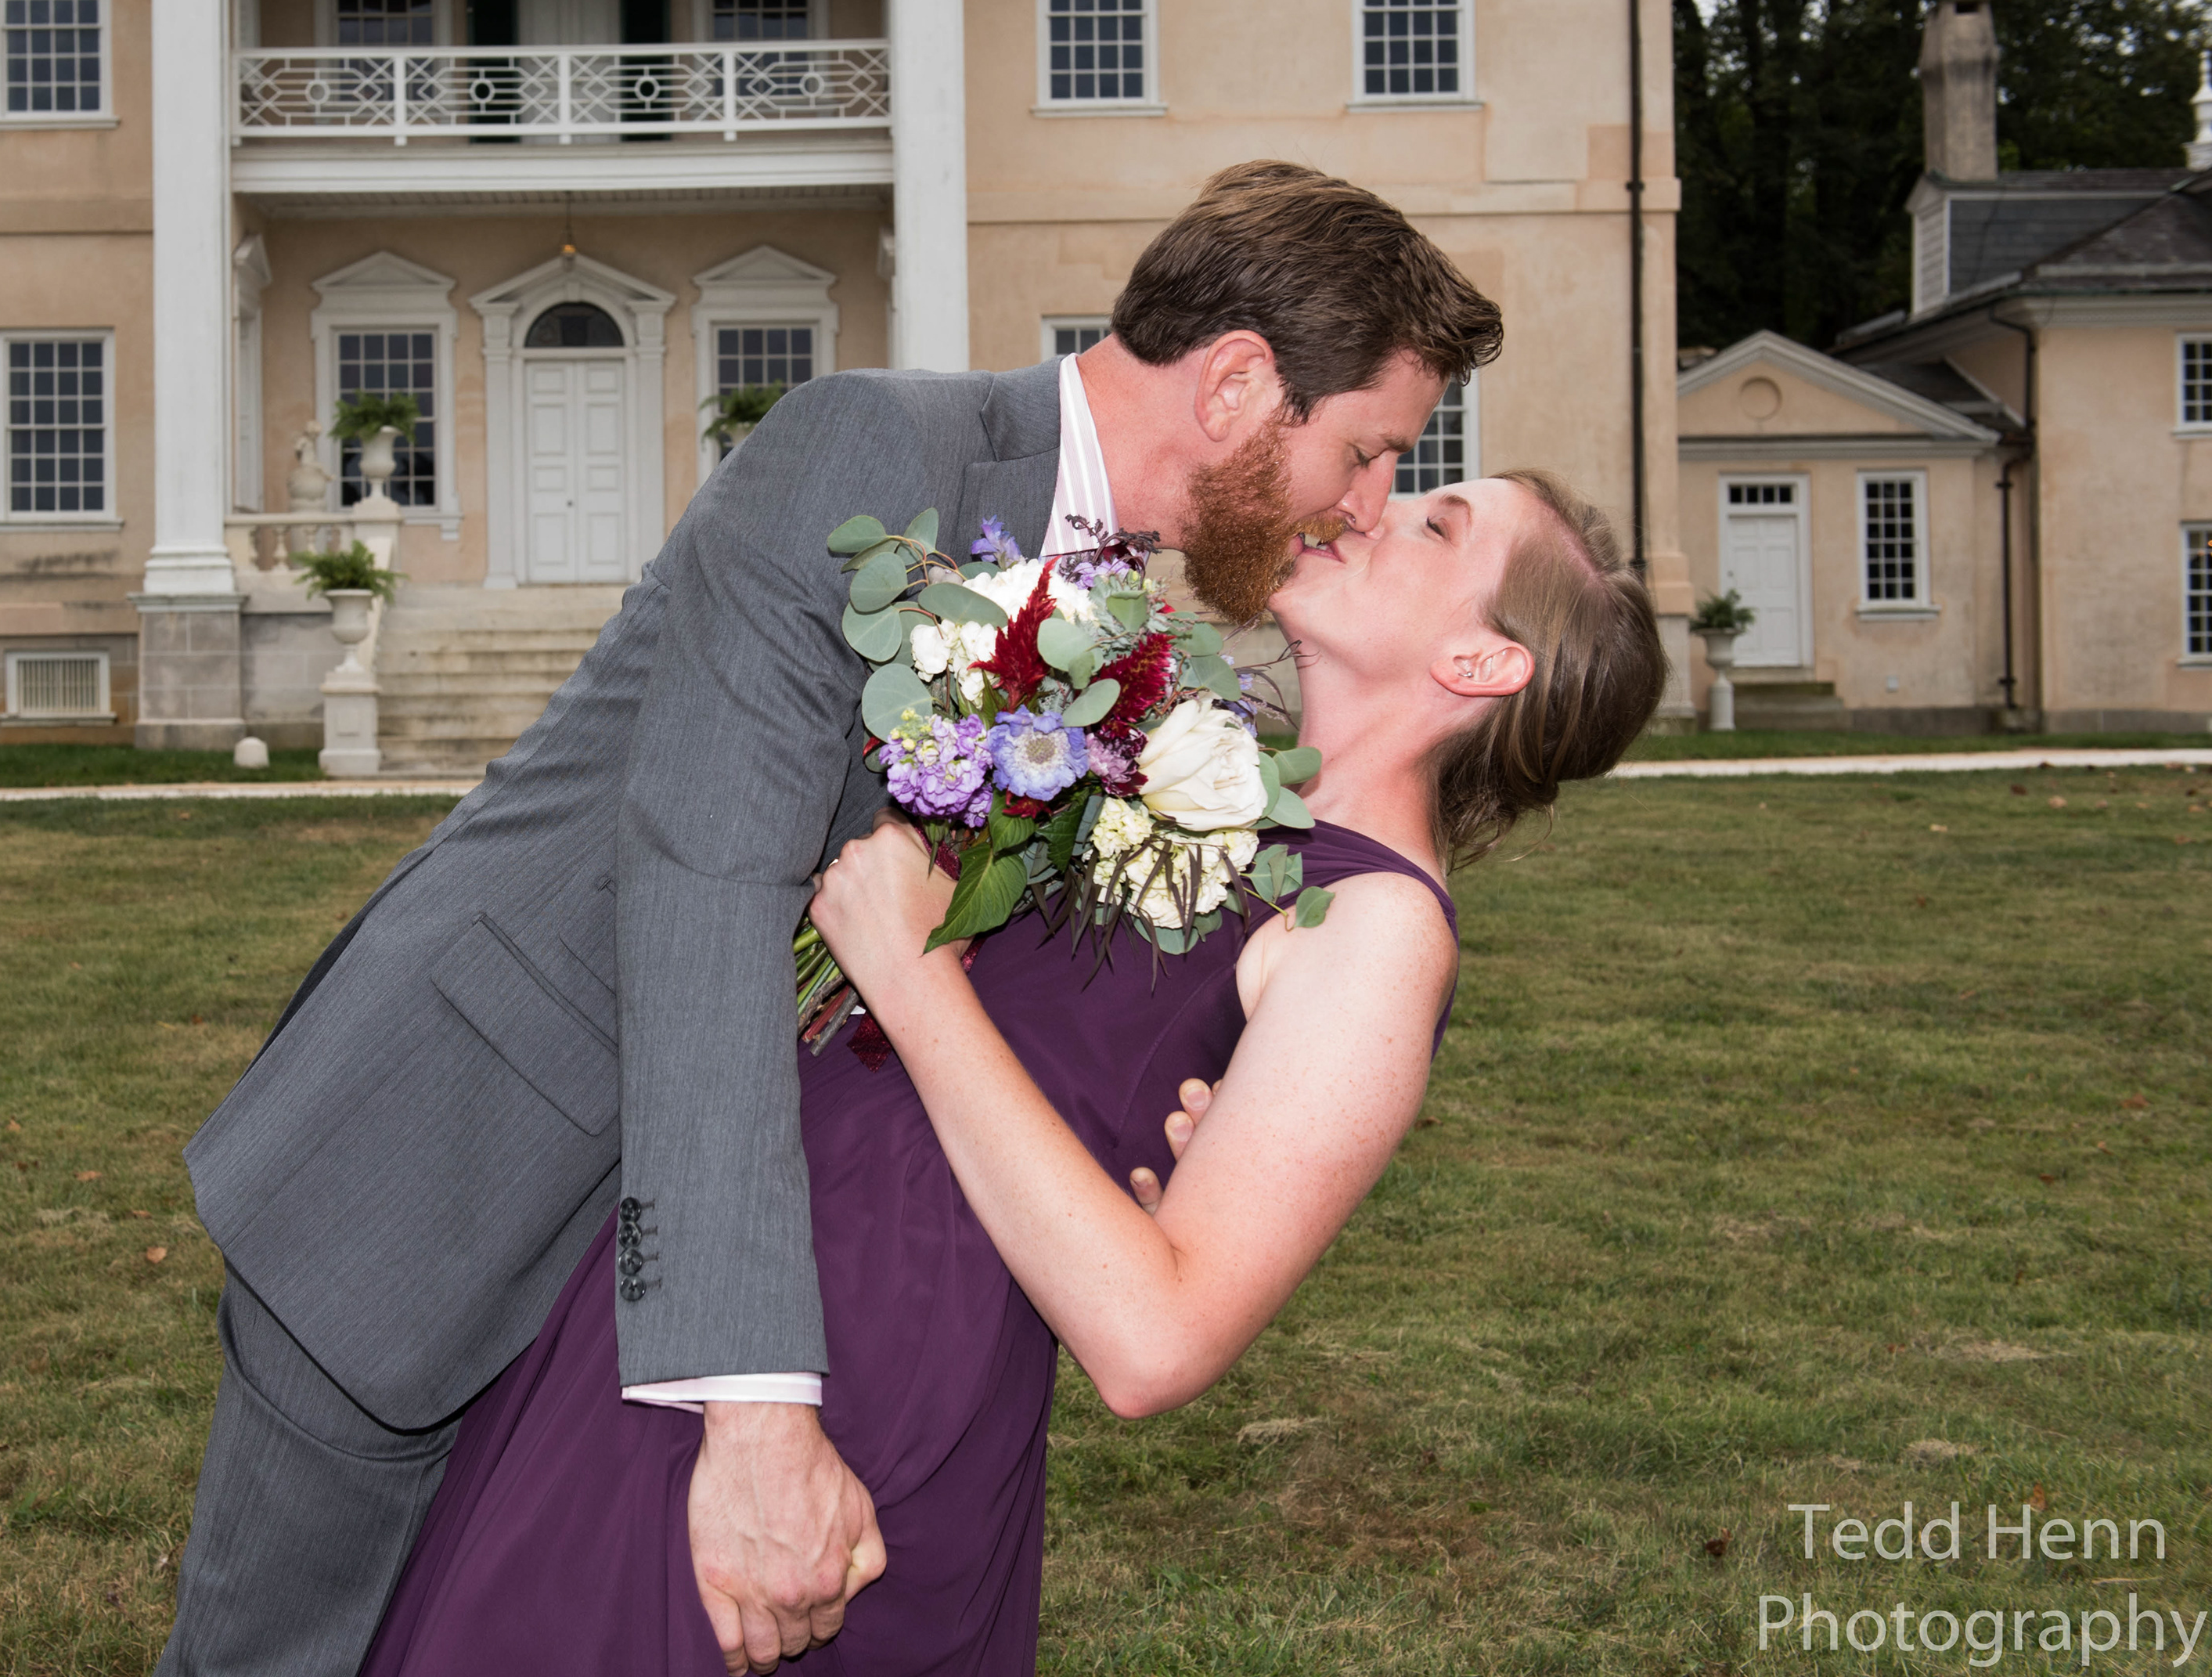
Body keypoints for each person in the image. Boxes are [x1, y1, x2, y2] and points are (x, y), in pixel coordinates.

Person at [152, 163, 1502, 1677]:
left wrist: (1180, 1116)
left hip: (651, 1249)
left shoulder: (1130, 611)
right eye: (1369, 452)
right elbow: (710, 885)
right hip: (453, 1166)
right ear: (1240, 384)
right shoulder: (879, 455)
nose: (1364, 504)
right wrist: (755, 1414)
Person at [354, 471, 1667, 1674]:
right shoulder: (1189, 772)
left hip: (868, 1367)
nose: (1370, 506)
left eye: (1437, 524)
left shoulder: (1381, 925)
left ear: (1484, 660)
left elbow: (1154, 1343)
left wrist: (910, 974)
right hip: (718, 1274)